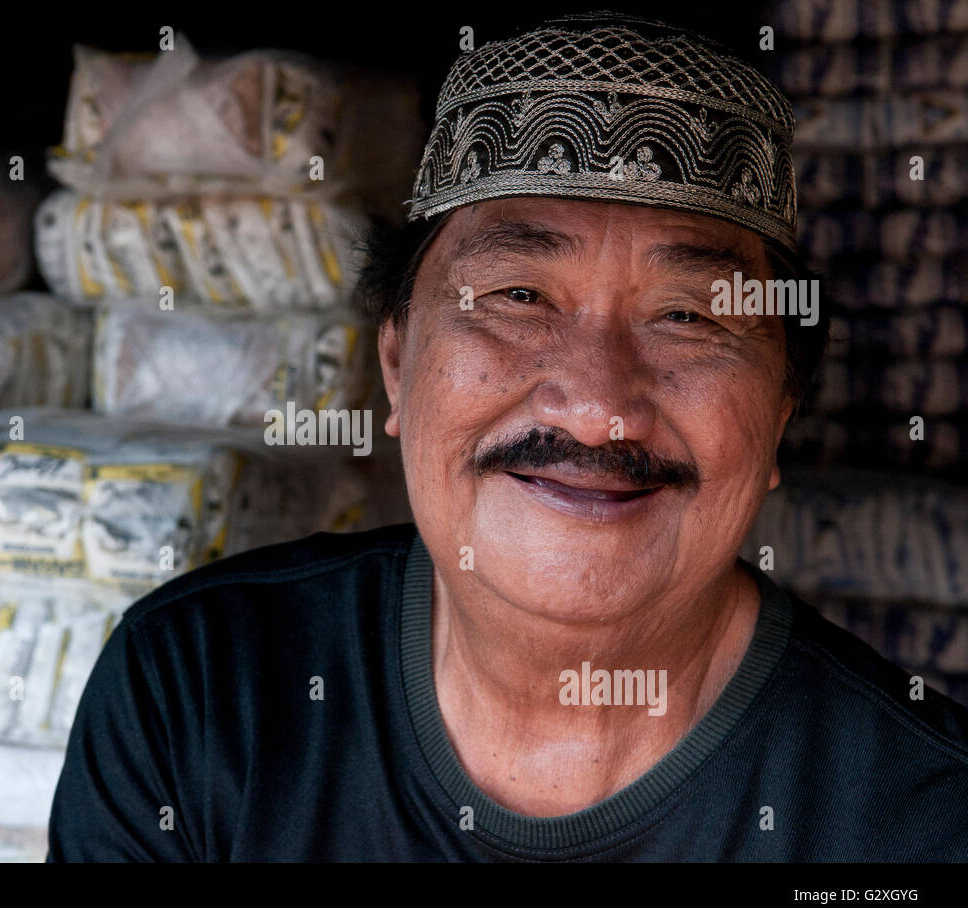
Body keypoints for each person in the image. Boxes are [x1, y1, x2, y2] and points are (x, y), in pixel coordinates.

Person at [47, 13, 968, 861]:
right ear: (398, 364)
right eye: (517, 296)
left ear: (779, 413)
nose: (595, 406)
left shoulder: (916, 818)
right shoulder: (201, 692)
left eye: (688, 314)